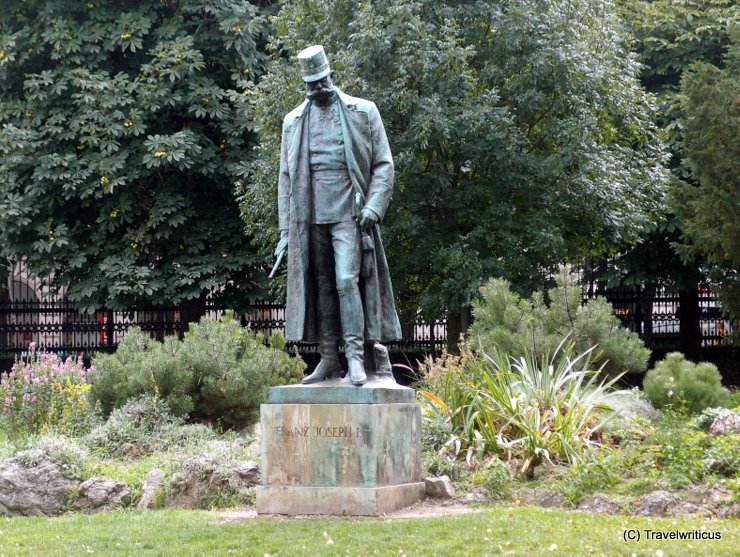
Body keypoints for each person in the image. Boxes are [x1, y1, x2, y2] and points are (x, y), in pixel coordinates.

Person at [274, 45, 401, 386]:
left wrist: (374, 206)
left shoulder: (364, 111)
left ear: (330, 75)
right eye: (310, 85)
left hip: (350, 213)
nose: (316, 90)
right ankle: (329, 359)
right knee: (323, 286)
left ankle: (356, 357)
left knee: (347, 280)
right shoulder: (293, 121)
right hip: (310, 216)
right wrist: (286, 232)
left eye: (320, 82)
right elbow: (286, 178)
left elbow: (383, 165)